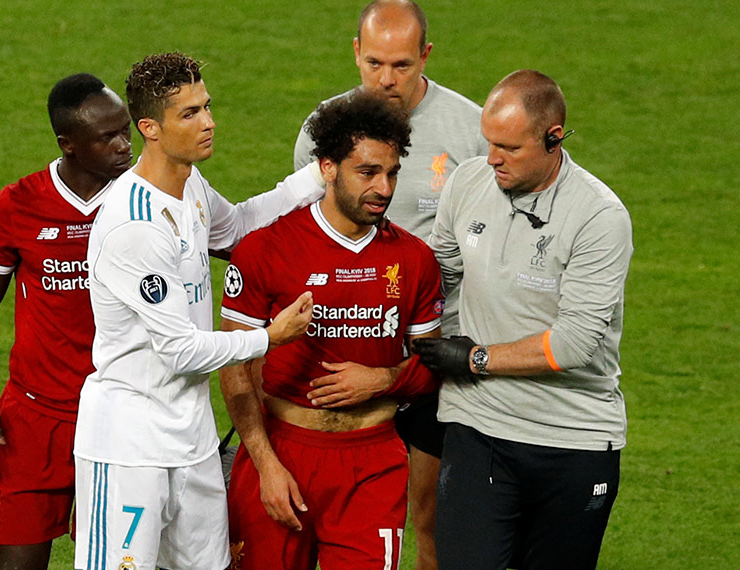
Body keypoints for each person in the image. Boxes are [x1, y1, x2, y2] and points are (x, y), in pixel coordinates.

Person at [72, 52, 326, 570]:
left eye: (207, 106)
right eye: (189, 113)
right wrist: (269, 338)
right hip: (129, 446)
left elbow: (236, 228)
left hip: (191, 438)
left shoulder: (188, 185)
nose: (209, 122)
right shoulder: (134, 226)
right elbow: (181, 350)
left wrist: (315, 178)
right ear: (150, 128)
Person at [414, 69, 633, 570]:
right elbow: (436, 276)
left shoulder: (599, 218)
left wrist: (474, 358)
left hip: (572, 437)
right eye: (489, 142)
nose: (492, 158)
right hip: (479, 423)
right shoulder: (469, 182)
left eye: (508, 148)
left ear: (553, 139)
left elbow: (574, 343)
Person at [293, 4, 486, 568]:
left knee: (429, 517)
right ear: (355, 50)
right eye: (374, 62)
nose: (385, 79)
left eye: (401, 65)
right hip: (339, 353)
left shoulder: (471, 133)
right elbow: (303, 234)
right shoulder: (321, 130)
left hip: (431, 356)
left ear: (425, 56)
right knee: (323, 512)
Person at [221, 91, 444, 570]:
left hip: (373, 463)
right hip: (282, 456)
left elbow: (433, 365)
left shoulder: (414, 259)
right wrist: (265, 464)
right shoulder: (265, 250)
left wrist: (384, 380)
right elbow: (235, 369)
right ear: (327, 168)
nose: (384, 188)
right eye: (367, 173)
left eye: (392, 173)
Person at [0, 73, 132, 570]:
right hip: (33, 420)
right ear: (69, 145)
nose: (125, 146)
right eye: (108, 137)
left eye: (127, 131)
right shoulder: (16, 207)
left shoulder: (150, 199)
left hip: (120, 416)